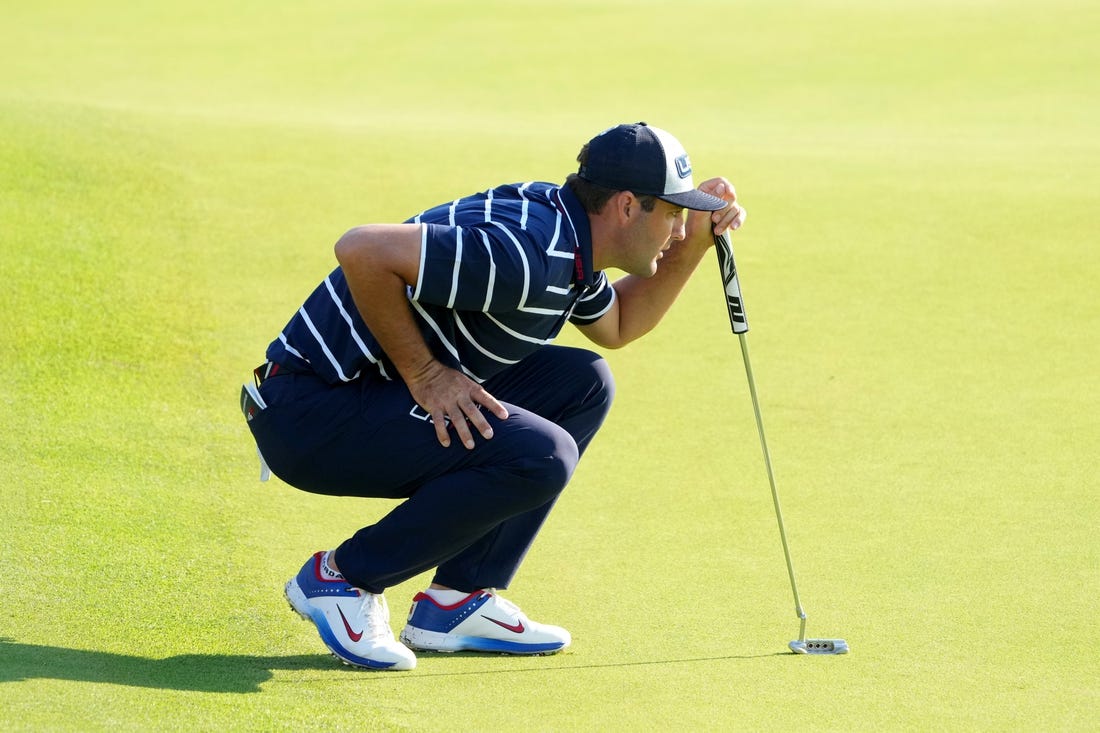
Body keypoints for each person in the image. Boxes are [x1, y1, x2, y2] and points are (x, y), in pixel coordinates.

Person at [241, 122, 746, 670]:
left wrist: (694, 243)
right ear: (627, 206)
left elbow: (620, 324)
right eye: (672, 214)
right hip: (309, 413)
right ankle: (341, 579)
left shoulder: (571, 243)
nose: (675, 229)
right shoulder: (526, 256)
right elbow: (362, 250)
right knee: (542, 455)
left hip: (357, 396)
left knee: (582, 384)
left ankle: (456, 601)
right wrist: (427, 375)